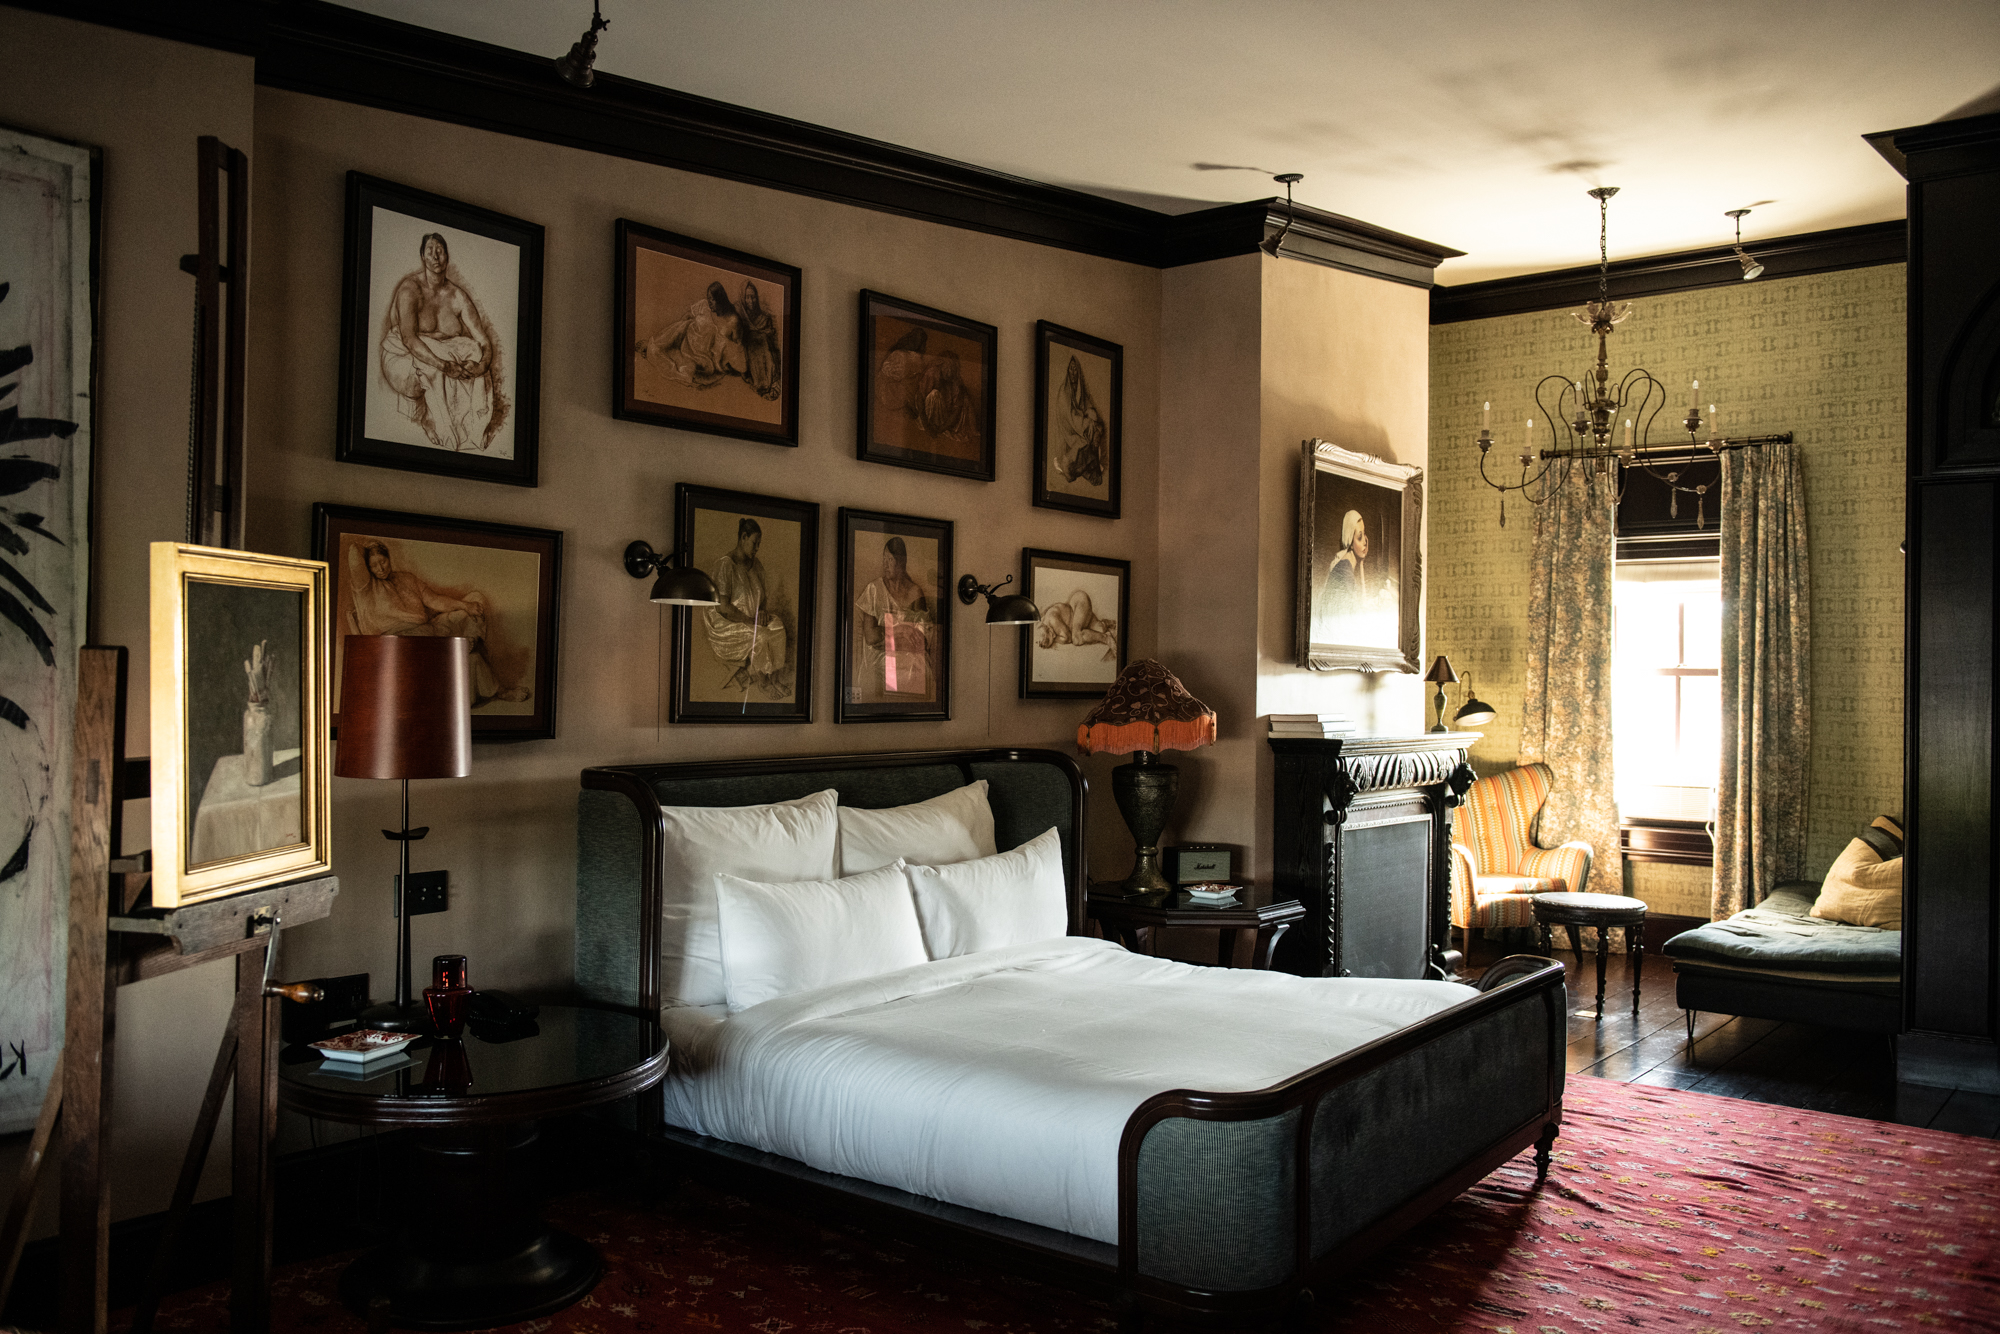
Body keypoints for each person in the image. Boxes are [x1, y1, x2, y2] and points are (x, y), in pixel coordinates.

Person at [345, 540, 529, 705]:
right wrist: (369, 549)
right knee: (454, 649)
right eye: (373, 565)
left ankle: (468, 651)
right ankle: (459, 650)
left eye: (383, 561)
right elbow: (354, 551)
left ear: (388, 558)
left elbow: (434, 600)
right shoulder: (365, 587)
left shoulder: (406, 578)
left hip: (429, 630)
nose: (380, 568)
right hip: (399, 643)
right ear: (367, 567)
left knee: (475, 600)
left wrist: (465, 605)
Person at [379, 232, 503, 453]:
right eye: (430, 251)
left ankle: (473, 430)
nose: (436, 257)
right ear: (423, 257)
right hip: (402, 357)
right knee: (438, 356)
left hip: (442, 356)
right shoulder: (410, 289)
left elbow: (483, 341)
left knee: (473, 350)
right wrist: (445, 365)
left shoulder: (457, 296)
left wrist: (482, 365)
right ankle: (441, 427)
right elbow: (408, 339)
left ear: (447, 256)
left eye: (440, 251)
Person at [702, 518, 790, 699]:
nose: (757, 548)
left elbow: (762, 598)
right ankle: (764, 683)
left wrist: (762, 612)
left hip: (752, 618)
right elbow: (723, 608)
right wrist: (751, 620)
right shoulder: (725, 565)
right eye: (754, 543)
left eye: (759, 544)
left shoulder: (756, 565)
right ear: (743, 537)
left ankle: (774, 678)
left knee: (778, 627)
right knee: (761, 635)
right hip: (726, 625)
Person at [854, 536, 934, 697]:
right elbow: (870, 637)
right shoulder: (873, 590)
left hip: (908, 656)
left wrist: (906, 636)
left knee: (922, 668)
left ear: (901, 562)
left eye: (890, 559)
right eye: (884, 559)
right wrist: (900, 630)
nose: (885, 564)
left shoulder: (915, 592)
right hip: (879, 657)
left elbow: (923, 637)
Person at [637, 280, 745, 388]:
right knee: (678, 330)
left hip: (701, 356)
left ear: (720, 299)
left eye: (712, 299)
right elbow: (687, 316)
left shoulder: (732, 321)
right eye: (708, 299)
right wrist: (680, 327)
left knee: (684, 368)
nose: (710, 302)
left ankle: (654, 350)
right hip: (685, 335)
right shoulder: (704, 306)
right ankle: (654, 345)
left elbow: (735, 345)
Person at [1049, 354, 1106, 487]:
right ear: (1067, 370)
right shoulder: (1063, 393)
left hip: (1080, 429)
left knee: (1095, 426)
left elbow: (1088, 407)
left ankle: (1090, 467)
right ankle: (1080, 467)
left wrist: (1092, 418)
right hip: (1069, 433)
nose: (1073, 372)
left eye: (1076, 369)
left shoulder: (1081, 390)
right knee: (1087, 437)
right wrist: (1089, 424)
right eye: (1071, 369)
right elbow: (1070, 418)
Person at [1036, 588, 1117, 663]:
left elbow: (1067, 638)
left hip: (1079, 603)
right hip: (1078, 617)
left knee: (1076, 638)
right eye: (1043, 645)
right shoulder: (1044, 625)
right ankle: (1105, 623)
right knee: (1101, 629)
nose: (1044, 644)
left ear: (1048, 630)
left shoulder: (1052, 620)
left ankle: (1106, 639)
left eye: (1047, 639)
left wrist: (1055, 639)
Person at [736, 281, 783, 401]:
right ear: (743, 298)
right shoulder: (740, 316)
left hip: (764, 349)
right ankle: (760, 384)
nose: (751, 301)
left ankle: (768, 383)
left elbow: (772, 338)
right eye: (747, 297)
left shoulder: (765, 318)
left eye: (753, 297)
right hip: (749, 349)